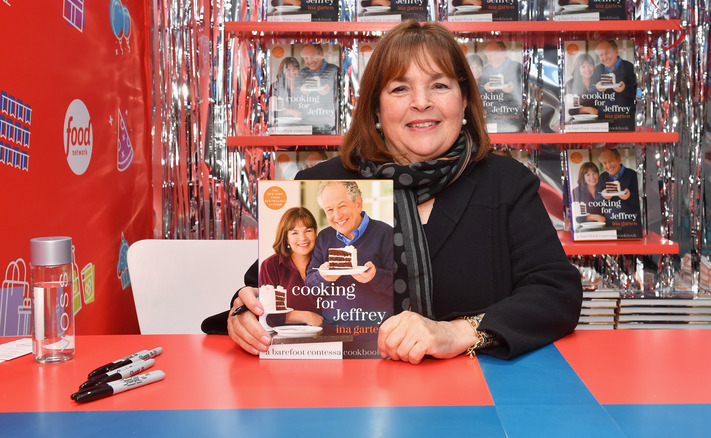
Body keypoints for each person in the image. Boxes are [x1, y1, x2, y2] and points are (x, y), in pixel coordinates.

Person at [226, 21, 582, 364]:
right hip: (349, 403)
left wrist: (460, 333)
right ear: (376, 107)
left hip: (480, 399)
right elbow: (264, 287)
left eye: (440, 85)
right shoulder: (324, 183)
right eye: (400, 89)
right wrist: (245, 312)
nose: (421, 102)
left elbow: (556, 293)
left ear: (463, 100)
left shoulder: (507, 182)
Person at [201, 207, 324, 344]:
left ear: (315, 232)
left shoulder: (327, 263)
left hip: (328, 341)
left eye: (308, 230)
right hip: (280, 342)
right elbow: (268, 314)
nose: (303, 238)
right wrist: (304, 316)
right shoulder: (270, 265)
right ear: (286, 237)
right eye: (294, 232)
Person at [306, 181, 394, 326]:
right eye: (329, 210)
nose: (337, 216)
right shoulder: (324, 237)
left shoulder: (386, 233)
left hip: (374, 331)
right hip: (332, 330)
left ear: (358, 204)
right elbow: (310, 286)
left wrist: (374, 277)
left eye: (342, 206)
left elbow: (400, 287)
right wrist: (323, 277)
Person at [595, 149, 642, 237]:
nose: (608, 165)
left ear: (618, 159)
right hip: (610, 227)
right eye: (604, 163)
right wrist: (604, 197)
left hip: (631, 227)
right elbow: (597, 200)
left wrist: (629, 196)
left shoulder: (633, 175)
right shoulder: (603, 177)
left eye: (610, 161)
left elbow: (642, 201)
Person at [480, 41, 524, 132]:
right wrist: (485, 89)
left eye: (495, 54)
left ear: (504, 52)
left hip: (514, 121)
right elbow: (477, 93)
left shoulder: (518, 68)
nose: (492, 59)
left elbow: (529, 94)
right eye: (489, 55)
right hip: (491, 121)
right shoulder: (485, 71)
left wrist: (514, 89)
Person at [593, 39, 636, 130]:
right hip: (603, 122)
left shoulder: (629, 67)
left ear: (616, 51)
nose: (604, 57)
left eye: (607, 53)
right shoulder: (597, 70)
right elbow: (589, 92)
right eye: (601, 55)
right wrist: (597, 89)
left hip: (625, 122)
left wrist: (624, 89)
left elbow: (637, 93)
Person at [297, 44, 339, 134]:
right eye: (306, 58)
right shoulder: (302, 73)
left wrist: (330, 93)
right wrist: (301, 93)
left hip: (330, 126)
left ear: (321, 54)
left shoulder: (335, 71)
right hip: (306, 126)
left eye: (313, 56)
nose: (310, 61)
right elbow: (293, 101)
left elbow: (343, 98)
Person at [270, 57, 303, 122]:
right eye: (288, 69)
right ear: (283, 71)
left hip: (302, 124)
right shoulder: (275, 86)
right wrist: (289, 112)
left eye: (295, 69)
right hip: (281, 125)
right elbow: (271, 110)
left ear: (298, 70)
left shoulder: (303, 86)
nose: (292, 72)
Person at [565, 53, 599, 118]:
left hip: (600, 121)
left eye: (590, 65)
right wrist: (588, 109)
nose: (587, 69)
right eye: (583, 66)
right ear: (578, 69)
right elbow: (567, 109)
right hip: (577, 123)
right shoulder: (570, 84)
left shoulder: (599, 83)